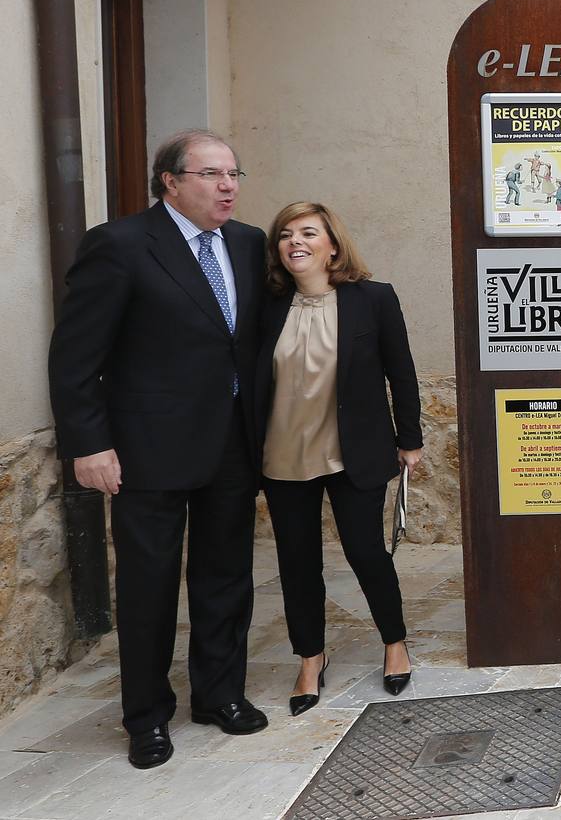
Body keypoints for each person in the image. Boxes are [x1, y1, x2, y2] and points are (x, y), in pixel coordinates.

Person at [47, 129, 268, 768]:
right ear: (169, 181)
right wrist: (88, 443)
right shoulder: (119, 245)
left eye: (233, 173)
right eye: (211, 174)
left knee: (226, 578)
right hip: (147, 448)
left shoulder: (249, 244)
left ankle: (220, 694)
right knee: (149, 586)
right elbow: (75, 355)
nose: (227, 186)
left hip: (232, 441)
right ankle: (146, 716)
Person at [255, 202, 423, 715]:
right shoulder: (266, 307)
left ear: (332, 244)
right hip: (282, 455)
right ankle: (311, 657)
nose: (295, 242)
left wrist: (410, 439)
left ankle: (395, 644)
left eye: (308, 232)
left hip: (355, 451)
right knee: (297, 562)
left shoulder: (372, 299)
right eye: (285, 235)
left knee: (366, 552)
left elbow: (402, 372)